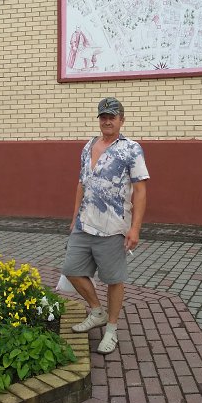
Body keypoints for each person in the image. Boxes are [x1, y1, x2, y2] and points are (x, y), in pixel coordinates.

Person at [62, 97, 149, 354]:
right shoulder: (89, 146)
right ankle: (97, 312)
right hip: (84, 223)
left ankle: (111, 329)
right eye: (103, 117)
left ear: (122, 120)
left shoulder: (131, 149)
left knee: (113, 279)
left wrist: (135, 228)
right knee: (71, 270)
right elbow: (81, 183)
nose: (107, 121)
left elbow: (140, 191)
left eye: (112, 117)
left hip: (113, 227)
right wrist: (74, 216)